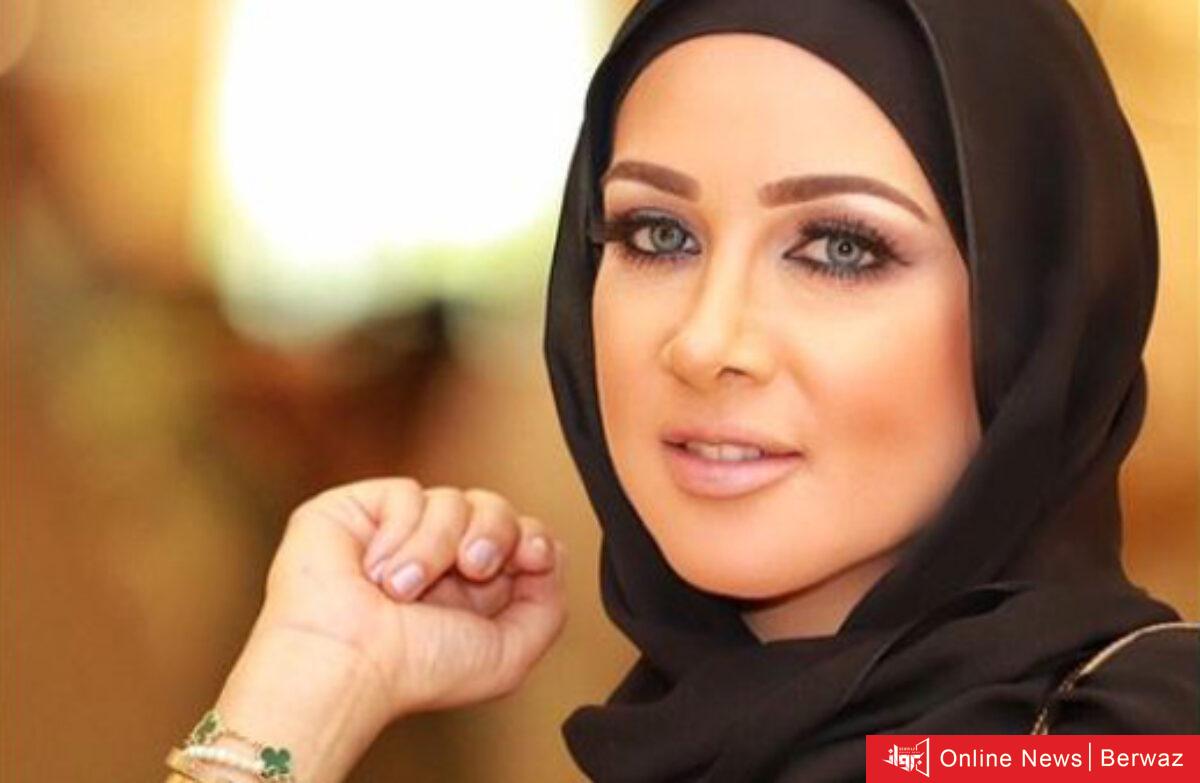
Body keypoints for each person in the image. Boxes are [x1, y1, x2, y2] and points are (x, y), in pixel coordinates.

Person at [161, 1, 1200, 782]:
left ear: (1038, 310)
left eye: (840, 247)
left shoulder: (1122, 748)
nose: (705, 342)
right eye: (658, 234)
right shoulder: (675, 741)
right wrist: (308, 688)